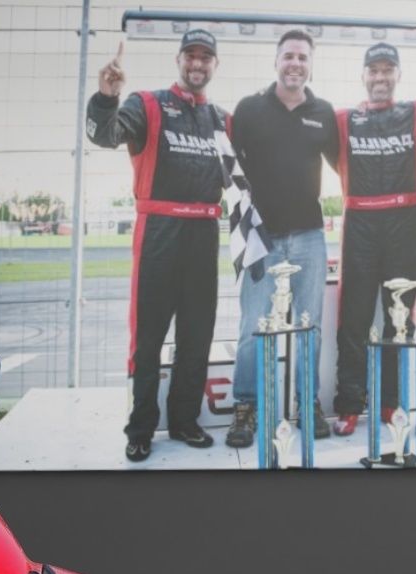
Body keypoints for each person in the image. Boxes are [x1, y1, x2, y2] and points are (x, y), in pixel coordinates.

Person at [88, 29, 228, 463]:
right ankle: (141, 428)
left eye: (206, 57)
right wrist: (107, 97)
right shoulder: (147, 103)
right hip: (159, 233)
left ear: (215, 65)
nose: (198, 64)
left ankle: (185, 421)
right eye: (191, 56)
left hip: (205, 235)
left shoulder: (223, 119)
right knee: (147, 339)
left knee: (196, 336)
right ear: (179, 60)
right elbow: (104, 135)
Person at [227, 30, 339, 449]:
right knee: (253, 326)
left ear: (311, 64)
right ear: (277, 61)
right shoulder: (250, 108)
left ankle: (306, 403)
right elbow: (227, 170)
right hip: (262, 236)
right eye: (289, 56)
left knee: (307, 326)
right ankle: (247, 406)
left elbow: (348, 168)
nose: (296, 63)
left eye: (303, 57)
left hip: (310, 235)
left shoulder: (324, 112)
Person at [331, 44, 416, 436]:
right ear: (363, 75)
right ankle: (350, 404)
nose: (380, 77)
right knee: (353, 319)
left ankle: (390, 402)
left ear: (398, 75)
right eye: (373, 70)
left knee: (398, 321)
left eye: (388, 70)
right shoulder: (342, 119)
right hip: (359, 224)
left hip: (404, 225)